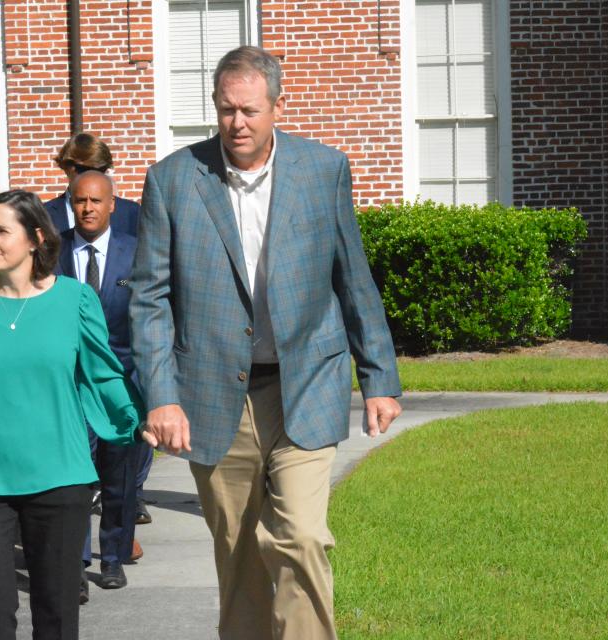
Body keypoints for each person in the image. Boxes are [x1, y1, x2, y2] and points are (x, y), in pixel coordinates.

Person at [130, 46, 403, 640]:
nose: (238, 123)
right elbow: (150, 299)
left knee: (302, 537)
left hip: (305, 384)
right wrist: (161, 396)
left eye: (250, 109)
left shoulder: (323, 170)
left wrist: (378, 378)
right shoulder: (173, 180)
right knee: (240, 563)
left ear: (278, 106)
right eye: (226, 110)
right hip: (210, 395)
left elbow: (352, 278)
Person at [0, 189, 155, 639]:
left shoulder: (75, 301)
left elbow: (103, 375)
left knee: (57, 611)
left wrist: (138, 421)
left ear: (37, 238)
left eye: (2, 230)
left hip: (59, 476)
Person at [54, 171, 143, 598]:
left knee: (118, 478)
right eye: (79, 201)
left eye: (95, 201)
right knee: (75, 481)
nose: (87, 208)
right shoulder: (51, 254)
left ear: (112, 205)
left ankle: (112, 559)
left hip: (123, 387)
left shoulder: (136, 254)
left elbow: (152, 318)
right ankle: (75, 565)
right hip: (69, 387)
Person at [45, 133, 140, 237]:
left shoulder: (131, 213)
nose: (93, 177)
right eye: (85, 170)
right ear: (67, 168)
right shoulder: (43, 215)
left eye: (101, 170)